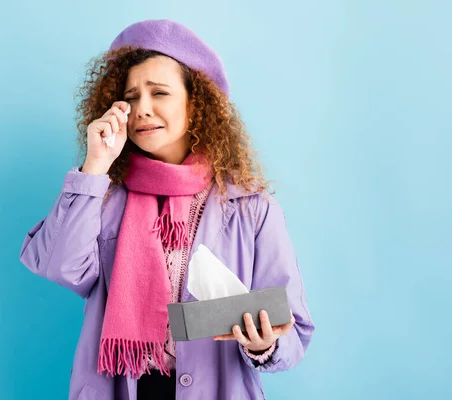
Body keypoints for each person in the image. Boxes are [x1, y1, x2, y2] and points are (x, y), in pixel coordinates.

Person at [19, 19, 314, 400]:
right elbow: (60, 267)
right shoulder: (105, 197)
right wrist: (94, 168)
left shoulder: (251, 207)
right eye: (131, 96)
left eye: (159, 93)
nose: (142, 108)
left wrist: (263, 345)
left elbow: (295, 328)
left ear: (197, 104)